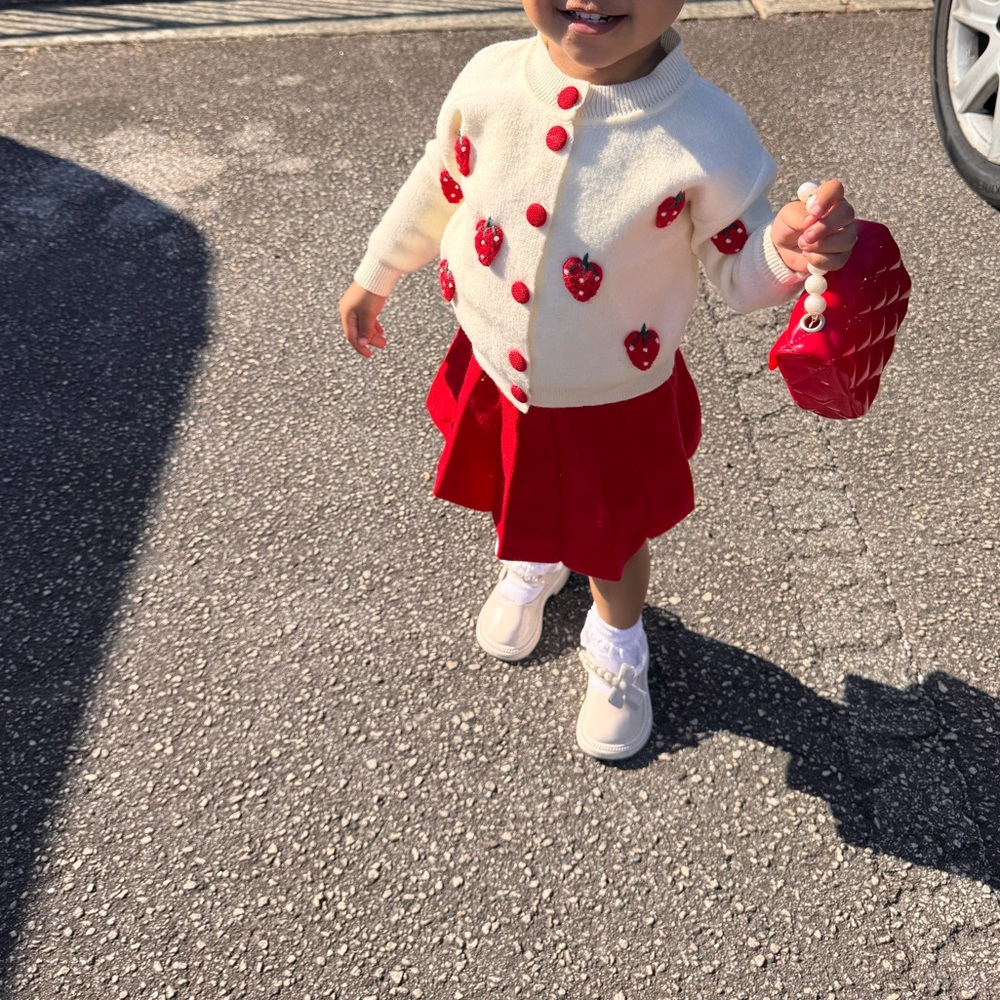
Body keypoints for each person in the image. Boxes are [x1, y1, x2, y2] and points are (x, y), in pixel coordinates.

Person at [339, 0, 856, 760]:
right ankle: (536, 560)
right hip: (496, 363)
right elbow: (442, 177)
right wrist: (376, 272)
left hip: (612, 393)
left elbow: (740, 277)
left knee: (613, 538)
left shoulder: (706, 131)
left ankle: (618, 638)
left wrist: (785, 249)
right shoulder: (488, 79)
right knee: (508, 485)